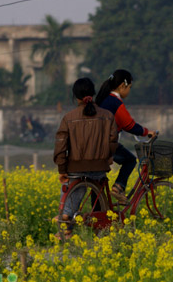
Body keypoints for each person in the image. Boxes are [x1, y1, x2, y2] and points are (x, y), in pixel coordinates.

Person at [53, 77, 118, 238]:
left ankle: (66, 223)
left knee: (72, 185)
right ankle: (99, 230)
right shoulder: (107, 116)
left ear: (75, 96)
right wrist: (106, 159)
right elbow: (113, 141)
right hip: (99, 169)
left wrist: (62, 169)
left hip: (76, 169)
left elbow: (61, 147)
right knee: (97, 189)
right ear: (93, 94)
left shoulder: (69, 118)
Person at [96, 69, 153, 205]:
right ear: (122, 86)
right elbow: (129, 125)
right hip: (106, 144)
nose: (129, 91)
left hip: (94, 143)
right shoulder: (115, 103)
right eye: (129, 88)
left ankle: (97, 214)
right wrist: (147, 132)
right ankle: (118, 187)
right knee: (130, 160)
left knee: (97, 182)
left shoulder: (102, 100)